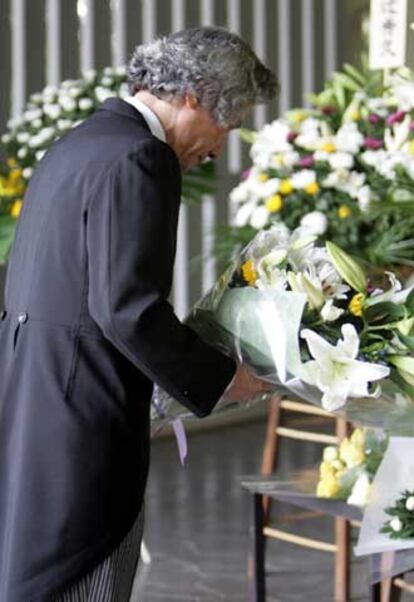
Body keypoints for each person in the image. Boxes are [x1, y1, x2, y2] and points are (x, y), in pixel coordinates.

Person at [0, 26, 278, 601]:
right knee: (85, 574)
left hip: (37, 401)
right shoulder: (141, 157)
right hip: (85, 421)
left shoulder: (80, 141)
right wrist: (227, 378)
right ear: (196, 97)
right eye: (228, 124)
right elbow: (128, 311)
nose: (219, 147)